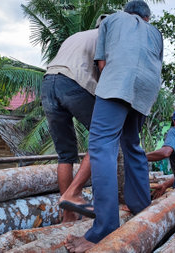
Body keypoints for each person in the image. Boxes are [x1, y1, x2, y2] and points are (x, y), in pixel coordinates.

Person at [65, 1, 163, 252]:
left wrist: (109, 90)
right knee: (132, 144)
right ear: (147, 17)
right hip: (146, 88)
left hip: (118, 80)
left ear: (128, 12)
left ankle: (103, 229)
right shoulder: (155, 32)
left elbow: (102, 64)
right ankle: (141, 207)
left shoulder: (111, 20)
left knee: (101, 148)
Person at [41, 14, 108, 222]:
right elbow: (103, 68)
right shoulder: (107, 37)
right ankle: (74, 192)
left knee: (65, 155)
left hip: (48, 83)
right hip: (74, 83)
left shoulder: (78, 35)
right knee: (103, 137)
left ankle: (68, 215)